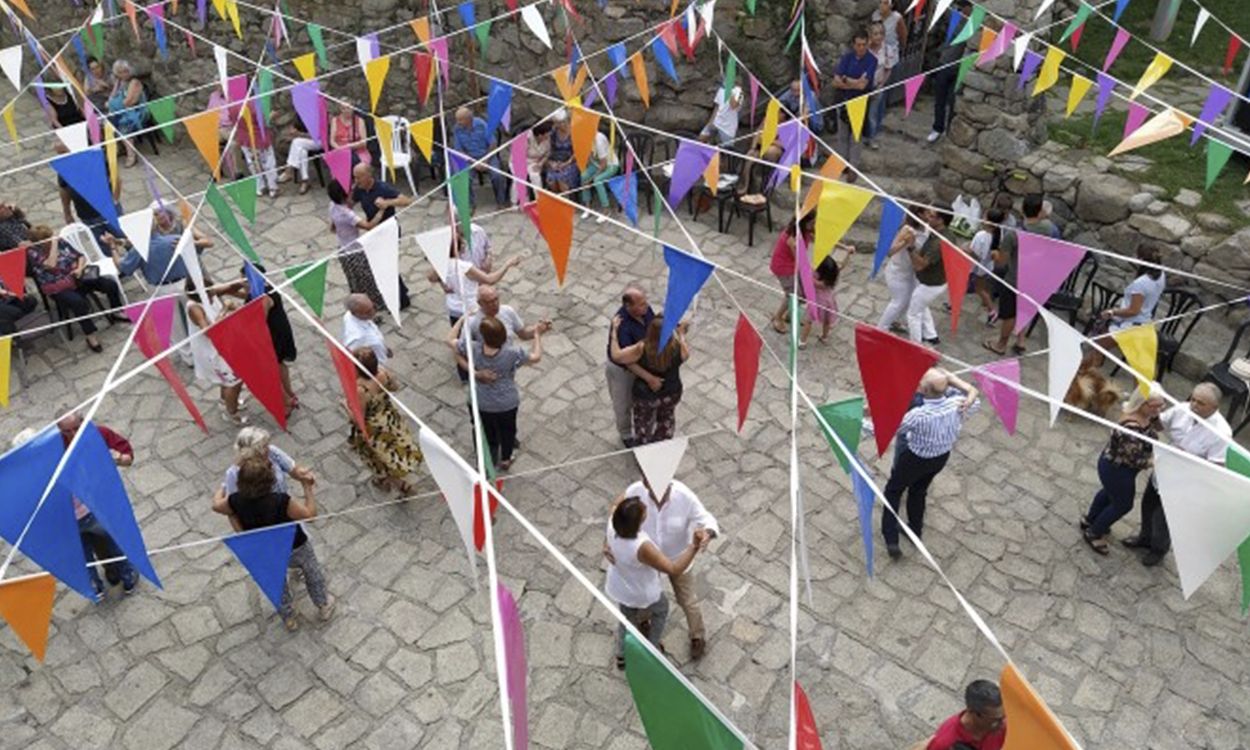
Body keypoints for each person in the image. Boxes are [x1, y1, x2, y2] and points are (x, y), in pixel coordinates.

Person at [213, 454, 334, 630]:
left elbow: (216, 506)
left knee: (277, 583)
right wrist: (307, 487)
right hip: (295, 545)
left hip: (264, 549)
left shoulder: (235, 500)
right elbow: (310, 515)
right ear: (270, 481)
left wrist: (223, 488)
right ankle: (323, 604)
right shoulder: (282, 501)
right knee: (311, 571)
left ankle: (289, 617)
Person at [609, 473, 719, 660]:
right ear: (646, 483)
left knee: (687, 600)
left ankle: (697, 635)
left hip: (679, 558)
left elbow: (708, 519)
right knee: (647, 598)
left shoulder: (684, 496)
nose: (661, 494)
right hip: (647, 561)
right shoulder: (636, 491)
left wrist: (707, 533)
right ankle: (644, 623)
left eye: (665, 487)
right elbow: (616, 510)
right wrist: (607, 542)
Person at [1125, 384, 1231, 567]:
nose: (1194, 405)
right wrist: (1152, 414)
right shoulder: (1182, 409)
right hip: (1164, 468)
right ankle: (1144, 537)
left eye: (1201, 403)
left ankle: (1158, 549)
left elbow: (1216, 464)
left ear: (1214, 407)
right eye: (1193, 399)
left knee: (1164, 517)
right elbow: (1160, 425)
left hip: (1186, 480)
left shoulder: (1222, 432)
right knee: (1148, 505)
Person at [882, 368, 979, 559]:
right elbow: (973, 396)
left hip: (914, 459)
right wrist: (951, 379)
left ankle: (891, 538)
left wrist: (856, 420)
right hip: (940, 458)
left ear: (924, 390)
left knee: (893, 491)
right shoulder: (959, 404)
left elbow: (889, 429)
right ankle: (915, 530)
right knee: (919, 491)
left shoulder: (919, 415)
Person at [55, 413, 140, 598]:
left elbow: (127, 458)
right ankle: (112, 576)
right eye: (67, 431)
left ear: (84, 423)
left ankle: (117, 576)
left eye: (76, 428)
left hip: (96, 503)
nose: (73, 434)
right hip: (81, 510)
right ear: (60, 431)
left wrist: (117, 458)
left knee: (109, 541)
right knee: (96, 546)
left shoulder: (99, 434)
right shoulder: (55, 446)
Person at [448, 315, 542, 470]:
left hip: (483, 402)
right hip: (507, 403)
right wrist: (537, 335)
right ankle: (506, 458)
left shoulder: (473, 348)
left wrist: (461, 320)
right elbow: (536, 357)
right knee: (508, 430)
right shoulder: (512, 353)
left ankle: (490, 458)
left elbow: (450, 340)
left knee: (488, 431)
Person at [1081, 385, 1165, 555]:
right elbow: (1135, 459)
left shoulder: (1145, 416)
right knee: (1123, 504)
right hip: (1118, 469)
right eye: (1154, 406)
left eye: (1161, 406)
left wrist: (1155, 415)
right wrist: (1156, 461)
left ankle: (1090, 519)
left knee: (1108, 493)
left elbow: (1159, 429)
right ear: (1141, 403)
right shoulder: (1132, 426)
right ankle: (1094, 532)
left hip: (1116, 466)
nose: (1158, 410)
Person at [25, 224, 127, 353]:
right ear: (38, 242)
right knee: (78, 302)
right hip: (58, 287)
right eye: (47, 239)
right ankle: (90, 335)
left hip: (77, 277)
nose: (51, 240)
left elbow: (80, 256)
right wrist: (54, 245)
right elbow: (51, 264)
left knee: (109, 284)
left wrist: (79, 268)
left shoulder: (61, 242)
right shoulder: (33, 252)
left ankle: (116, 312)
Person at [983, 193, 1058, 355]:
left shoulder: (1013, 235)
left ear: (1022, 209)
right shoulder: (1049, 228)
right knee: (1024, 309)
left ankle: (1001, 345)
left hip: (1015, 279)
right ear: (1040, 211)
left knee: (1009, 315)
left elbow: (1002, 262)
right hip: (1035, 277)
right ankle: (1020, 341)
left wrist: (995, 254)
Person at [348, 346, 424, 495]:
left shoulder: (361, 389)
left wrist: (345, 406)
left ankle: (399, 484)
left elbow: (357, 419)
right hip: (390, 420)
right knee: (392, 450)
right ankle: (389, 480)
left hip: (374, 430)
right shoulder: (382, 373)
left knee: (380, 458)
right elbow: (394, 387)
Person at [611, 315, 689, 445]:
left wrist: (614, 332)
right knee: (666, 419)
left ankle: (644, 448)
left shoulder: (642, 348)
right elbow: (685, 355)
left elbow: (616, 356)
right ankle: (663, 445)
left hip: (646, 396)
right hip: (671, 392)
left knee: (643, 425)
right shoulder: (677, 347)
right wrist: (681, 334)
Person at [185, 272, 250, 424]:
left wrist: (243, 281)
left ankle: (225, 401)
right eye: (209, 292)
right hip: (212, 351)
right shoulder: (195, 308)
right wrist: (225, 309)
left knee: (229, 380)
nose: (212, 294)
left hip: (224, 345)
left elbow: (229, 288)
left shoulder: (210, 292)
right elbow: (209, 332)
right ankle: (231, 413)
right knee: (234, 381)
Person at [351, 162, 412, 308]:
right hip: (374, 231)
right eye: (354, 177)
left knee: (387, 265)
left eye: (358, 177)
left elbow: (406, 200)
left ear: (368, 176)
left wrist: (388, 202)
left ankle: (402, 300)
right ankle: (401, 292)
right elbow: (350, 202)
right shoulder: (359, 189)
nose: (356, 180)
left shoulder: (382, 188)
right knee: (383, 265)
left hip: (389, 230)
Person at [242, 263, 299, 416]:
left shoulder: (262, 298)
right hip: (279, 332)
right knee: (279, 364)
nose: (241, 283)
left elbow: (258, 321)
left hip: (271, 336)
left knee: (270, 370)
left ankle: (286, 402)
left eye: (244, 280)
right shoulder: (265, 288)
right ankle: (290, 393)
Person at [605, 285, 657, 447]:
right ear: (629, 306)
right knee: (623, 403)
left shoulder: (646, 310)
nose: (646, 306)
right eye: (641, 304)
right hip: (623, 370)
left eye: (645, 301)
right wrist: (649, 377)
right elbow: (626, 360)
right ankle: (626, 434)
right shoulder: (621, 325)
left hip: (642, 361)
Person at [428, 238, 521, 328]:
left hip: (453, 308)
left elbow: (431, 278)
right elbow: (490, 279)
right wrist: (507, 265)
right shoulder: (464, 267)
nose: (464, 243)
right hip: (470, 308)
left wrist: (443, 283)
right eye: (462, 243)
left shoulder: (441, 266)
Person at [327, 180, 385, 309]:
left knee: (354, 281)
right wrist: (381, 211)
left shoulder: (332, 206)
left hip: (342, 250)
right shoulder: (348, 215)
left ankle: (358, 304)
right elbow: (368, 226)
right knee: (367, 280)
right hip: (355, 252)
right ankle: (374, 305)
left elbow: (332, 228)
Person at [55, 140, 123, 246]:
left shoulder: (94, 159)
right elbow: (64, 189)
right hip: (86, 215)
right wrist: (67, 213)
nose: (62, 157)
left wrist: (115, 200)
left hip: (107, 210)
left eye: (64, 152)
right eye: (59, 154)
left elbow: (116, 178)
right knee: (102, 244)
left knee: (123, 238)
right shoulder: (64, 167)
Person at [219, 426, 315, 496]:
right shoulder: (234, 474)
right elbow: (232, 502)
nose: (268, 448)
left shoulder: (271, 452)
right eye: (264, 446)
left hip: (282, 501)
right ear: (255, 452)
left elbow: (292, 468)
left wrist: (302, 475)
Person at [832, 30, 877, 176]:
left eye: (864, 44)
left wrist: (845, 79)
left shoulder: (872, 60)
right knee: (842, 135)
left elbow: (863, 86)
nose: (861, 48)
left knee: (856, 136)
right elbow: (836, 82)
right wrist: (854, 82)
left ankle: (853, 167)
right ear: (853, 44)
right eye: (858, 45)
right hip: (844, 99)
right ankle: (841, 164)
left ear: (867, 44)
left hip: (860, 102)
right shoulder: (847, 58)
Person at [928, 0, 973, 143]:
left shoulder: (975, 24)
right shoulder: (953, 16)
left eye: (966, 7)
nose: (964, 9)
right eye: (962, 7)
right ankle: (937, 128)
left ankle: (949, 131)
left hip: (960, 68)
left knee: (953, 102)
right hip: (944, 64)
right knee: (939, 100)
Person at [907, 206, 951, 346]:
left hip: (931, 284)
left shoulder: (938, 242)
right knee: (922, 306)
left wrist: (911, 247)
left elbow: (920, 265)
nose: (927, 218)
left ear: (941, 220)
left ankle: (915, 346)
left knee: (913, 314)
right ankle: (931, 335)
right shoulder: (945, 233)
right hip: (937, 280)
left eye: (931, 216)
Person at [924, 680, 1007, 750]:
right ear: (973, 712)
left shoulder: (1001, 725)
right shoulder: (944, 742)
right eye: (996, 719)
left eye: (1004, 715)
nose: (1003, 722)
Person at [769, 214, 816, 334]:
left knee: (805, 292)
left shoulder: (806, 231)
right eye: (811, 223)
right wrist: (810, 270)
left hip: (793, 265)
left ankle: (790, 315)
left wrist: (844, 247)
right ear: (804, 222)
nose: (814, 225)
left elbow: (820, 238)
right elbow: (800, 260)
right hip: (783, 267)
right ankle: (778, 317)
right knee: (793, 294)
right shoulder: (792, 238)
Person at [878, 213, 925, 334]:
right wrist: (906, 243)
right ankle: (881, 328)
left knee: (908, 300)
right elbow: (890, 252)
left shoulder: (928, 230)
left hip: (911, 272)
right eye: (928, 213)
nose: (930, 217)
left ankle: (895, 321)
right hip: (898, 271)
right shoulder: (908, 230)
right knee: (898, 301)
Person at [452, 105, 509, 206]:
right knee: (464, 177)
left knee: (497, 175)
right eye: (457, 120)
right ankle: (470, 205)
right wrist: (474, 162)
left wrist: (485, 160)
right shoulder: (457, 129)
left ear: (468, 119)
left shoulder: (481, 125)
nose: (458, 122)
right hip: (470, 158)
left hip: (487, 155)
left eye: (460, 120)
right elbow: (459, 150)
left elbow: (493, 143)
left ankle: (501, 202)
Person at [105, 59, 147, 167]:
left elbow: (128, 102)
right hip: (123, 111)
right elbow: (111, 98)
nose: (123, 74)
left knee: (123, 124)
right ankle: (119, 147)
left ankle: (131, 155)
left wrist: (113, 104)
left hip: (136, 112)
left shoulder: (134, 82)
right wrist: (112, 101)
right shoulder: (119, 82)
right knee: (107, 122)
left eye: (125, 71)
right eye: (120, 72)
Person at [864, 22, 898, 150]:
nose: (878, 36)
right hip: (862, 86)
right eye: (875, 34)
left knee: (872, 114)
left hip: (877, 86)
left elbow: (888, 69)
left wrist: (881, 84)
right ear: (870, 35)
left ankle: (871, 138)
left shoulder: (887, 50)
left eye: (881, 33)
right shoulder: (864, 49)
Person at [236, 107, 280, 199]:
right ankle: (273, 187)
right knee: (268, 163)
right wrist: (271, 116)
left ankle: (260, 187)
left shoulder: (232, 104)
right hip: (259, 137)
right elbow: (263, 122)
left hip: (244, 138)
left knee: (253, 163)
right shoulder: (254, 105)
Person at [969, 207, 1003, 325]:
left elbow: (976, 255)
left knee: (979, 289)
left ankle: (992, 311)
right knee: (977, 287)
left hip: (978, 267)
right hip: (986, 267)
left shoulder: (981, 236)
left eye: (984, 216)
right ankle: (952, 304)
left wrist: (966, 250)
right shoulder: (999, 233)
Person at [579, 128, 620, 221]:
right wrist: (587, 175)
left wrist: (590, 180)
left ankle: (606, 210)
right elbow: (589, 158)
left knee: (597, 180)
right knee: (583, 176)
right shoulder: (585, 138)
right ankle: (588, 207)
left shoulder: (599, 140)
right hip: (596, 163)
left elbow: (604, 164)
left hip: (611, 164)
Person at [341, 293, 390, 365]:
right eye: (367, 312)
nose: (373, 312)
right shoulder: (357, 338)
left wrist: (384, 348)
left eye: (373, 307)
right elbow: (356, 358)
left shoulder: (351, 315)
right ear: (355, 313)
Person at [280, 122, 321, 194]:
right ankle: (305, 180)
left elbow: (317, 136)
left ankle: (288, 170)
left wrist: (299, 134)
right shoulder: (301, 119)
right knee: (302, 151)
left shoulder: (318, 118)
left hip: (320, 141)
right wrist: (294, 134)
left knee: (296, 142)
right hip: (306, 141)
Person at [544, 109, 579, 194]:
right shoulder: (553, 132)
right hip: (556, 160)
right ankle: (556, 197)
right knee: (551, 180)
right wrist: (551, 162)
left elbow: (578, 152)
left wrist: (566, 163)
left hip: (570, 161)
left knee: (562, 180)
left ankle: (566, 198)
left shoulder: (574, 131)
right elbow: (549, 149)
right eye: (557, 123)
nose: (560, 125)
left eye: (561, 123)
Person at [328, 101, 372, 166]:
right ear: (340, 109)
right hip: (340, 150)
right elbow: (332, 141)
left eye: (348, 108)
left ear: (353, 108)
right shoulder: (335, 120)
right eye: (343, 108)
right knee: (341, 164)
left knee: (361, 167)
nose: (346, 111)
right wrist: (339, 148)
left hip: (358, 151)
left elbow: (364, 142)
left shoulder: (360, 120)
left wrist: (350, 146)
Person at [524, 121, 553, 200]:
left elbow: (547, 153)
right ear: (540, 135)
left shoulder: (547, 139)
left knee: (535, 175)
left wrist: (540, 163)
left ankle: (539, 199)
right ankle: (517, 201)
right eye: (547, 133)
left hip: (537, 162)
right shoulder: (527, 138)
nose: (549, 134)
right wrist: (532, 163)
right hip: (522, 161)